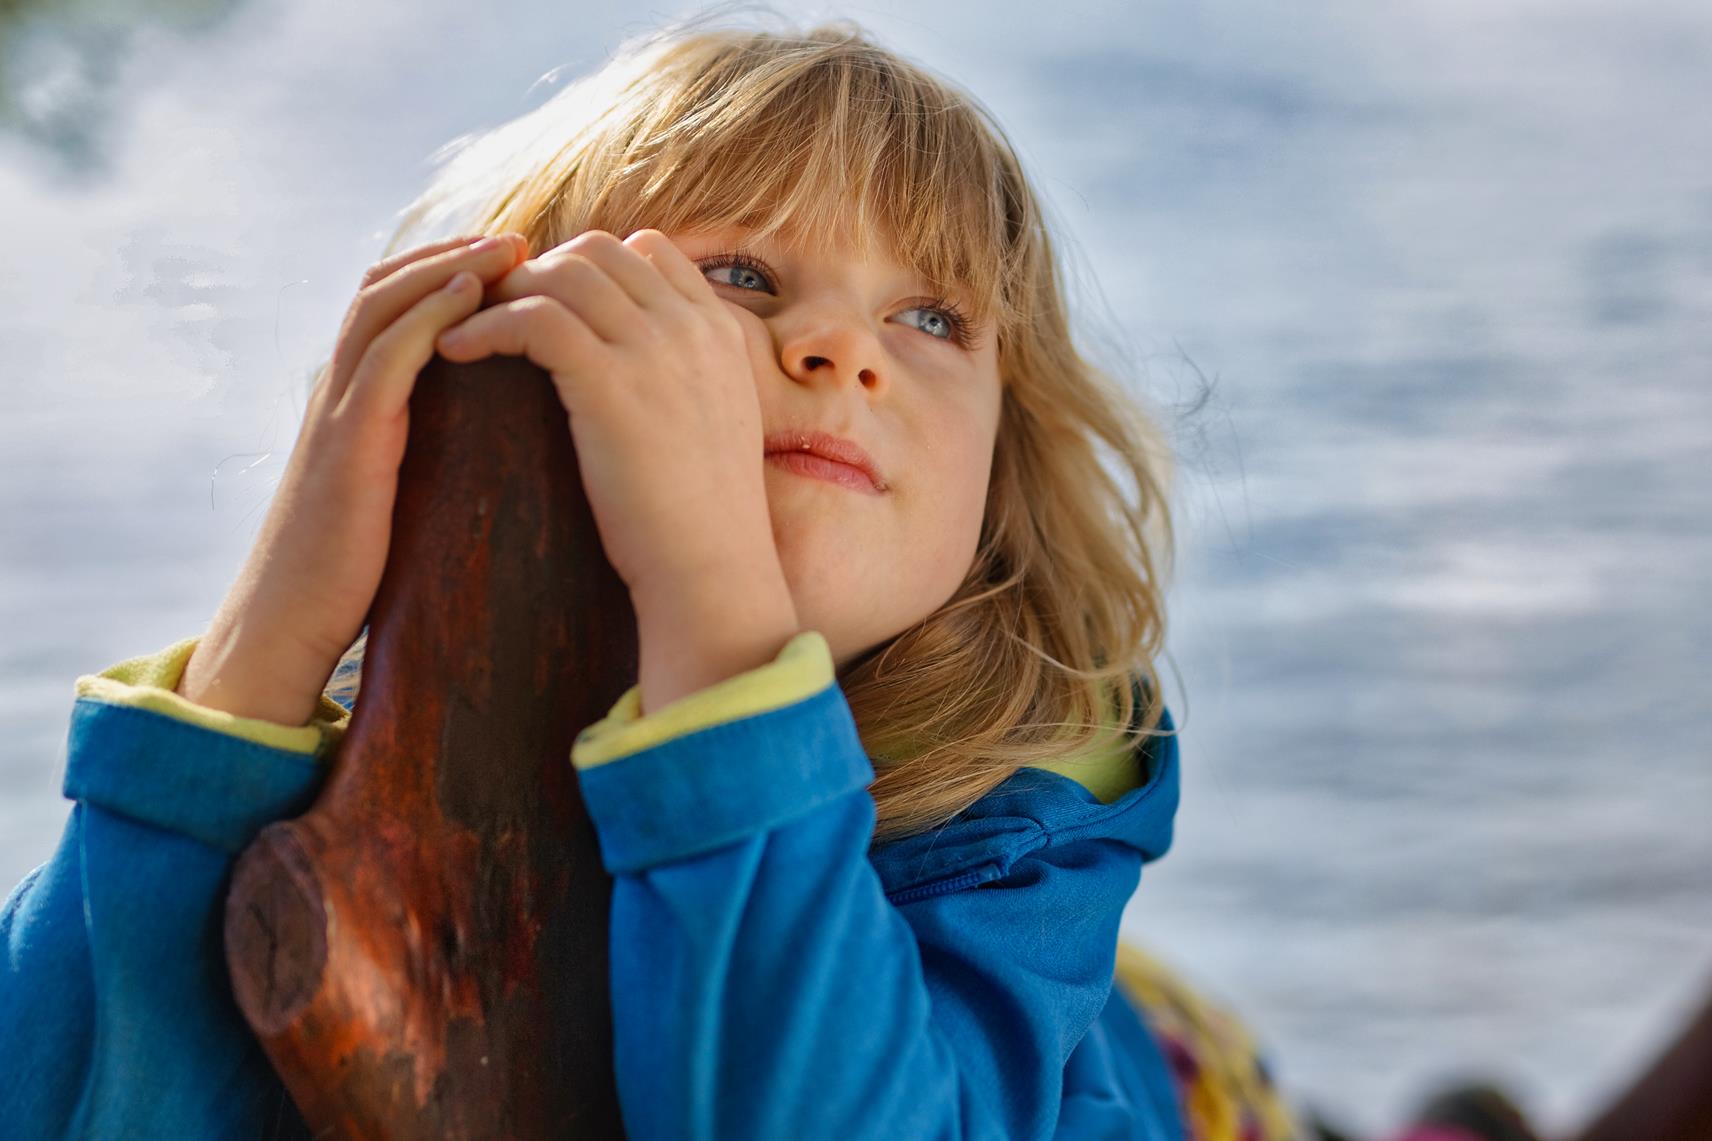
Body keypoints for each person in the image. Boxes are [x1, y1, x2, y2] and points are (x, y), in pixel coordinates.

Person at [11, 9, 1691, 1141]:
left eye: (934, 317)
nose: (843, 348)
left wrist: (718, 617)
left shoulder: (1031, 808)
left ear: (998, 475)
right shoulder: (350, 732)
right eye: (745, 277)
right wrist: (261, 648)